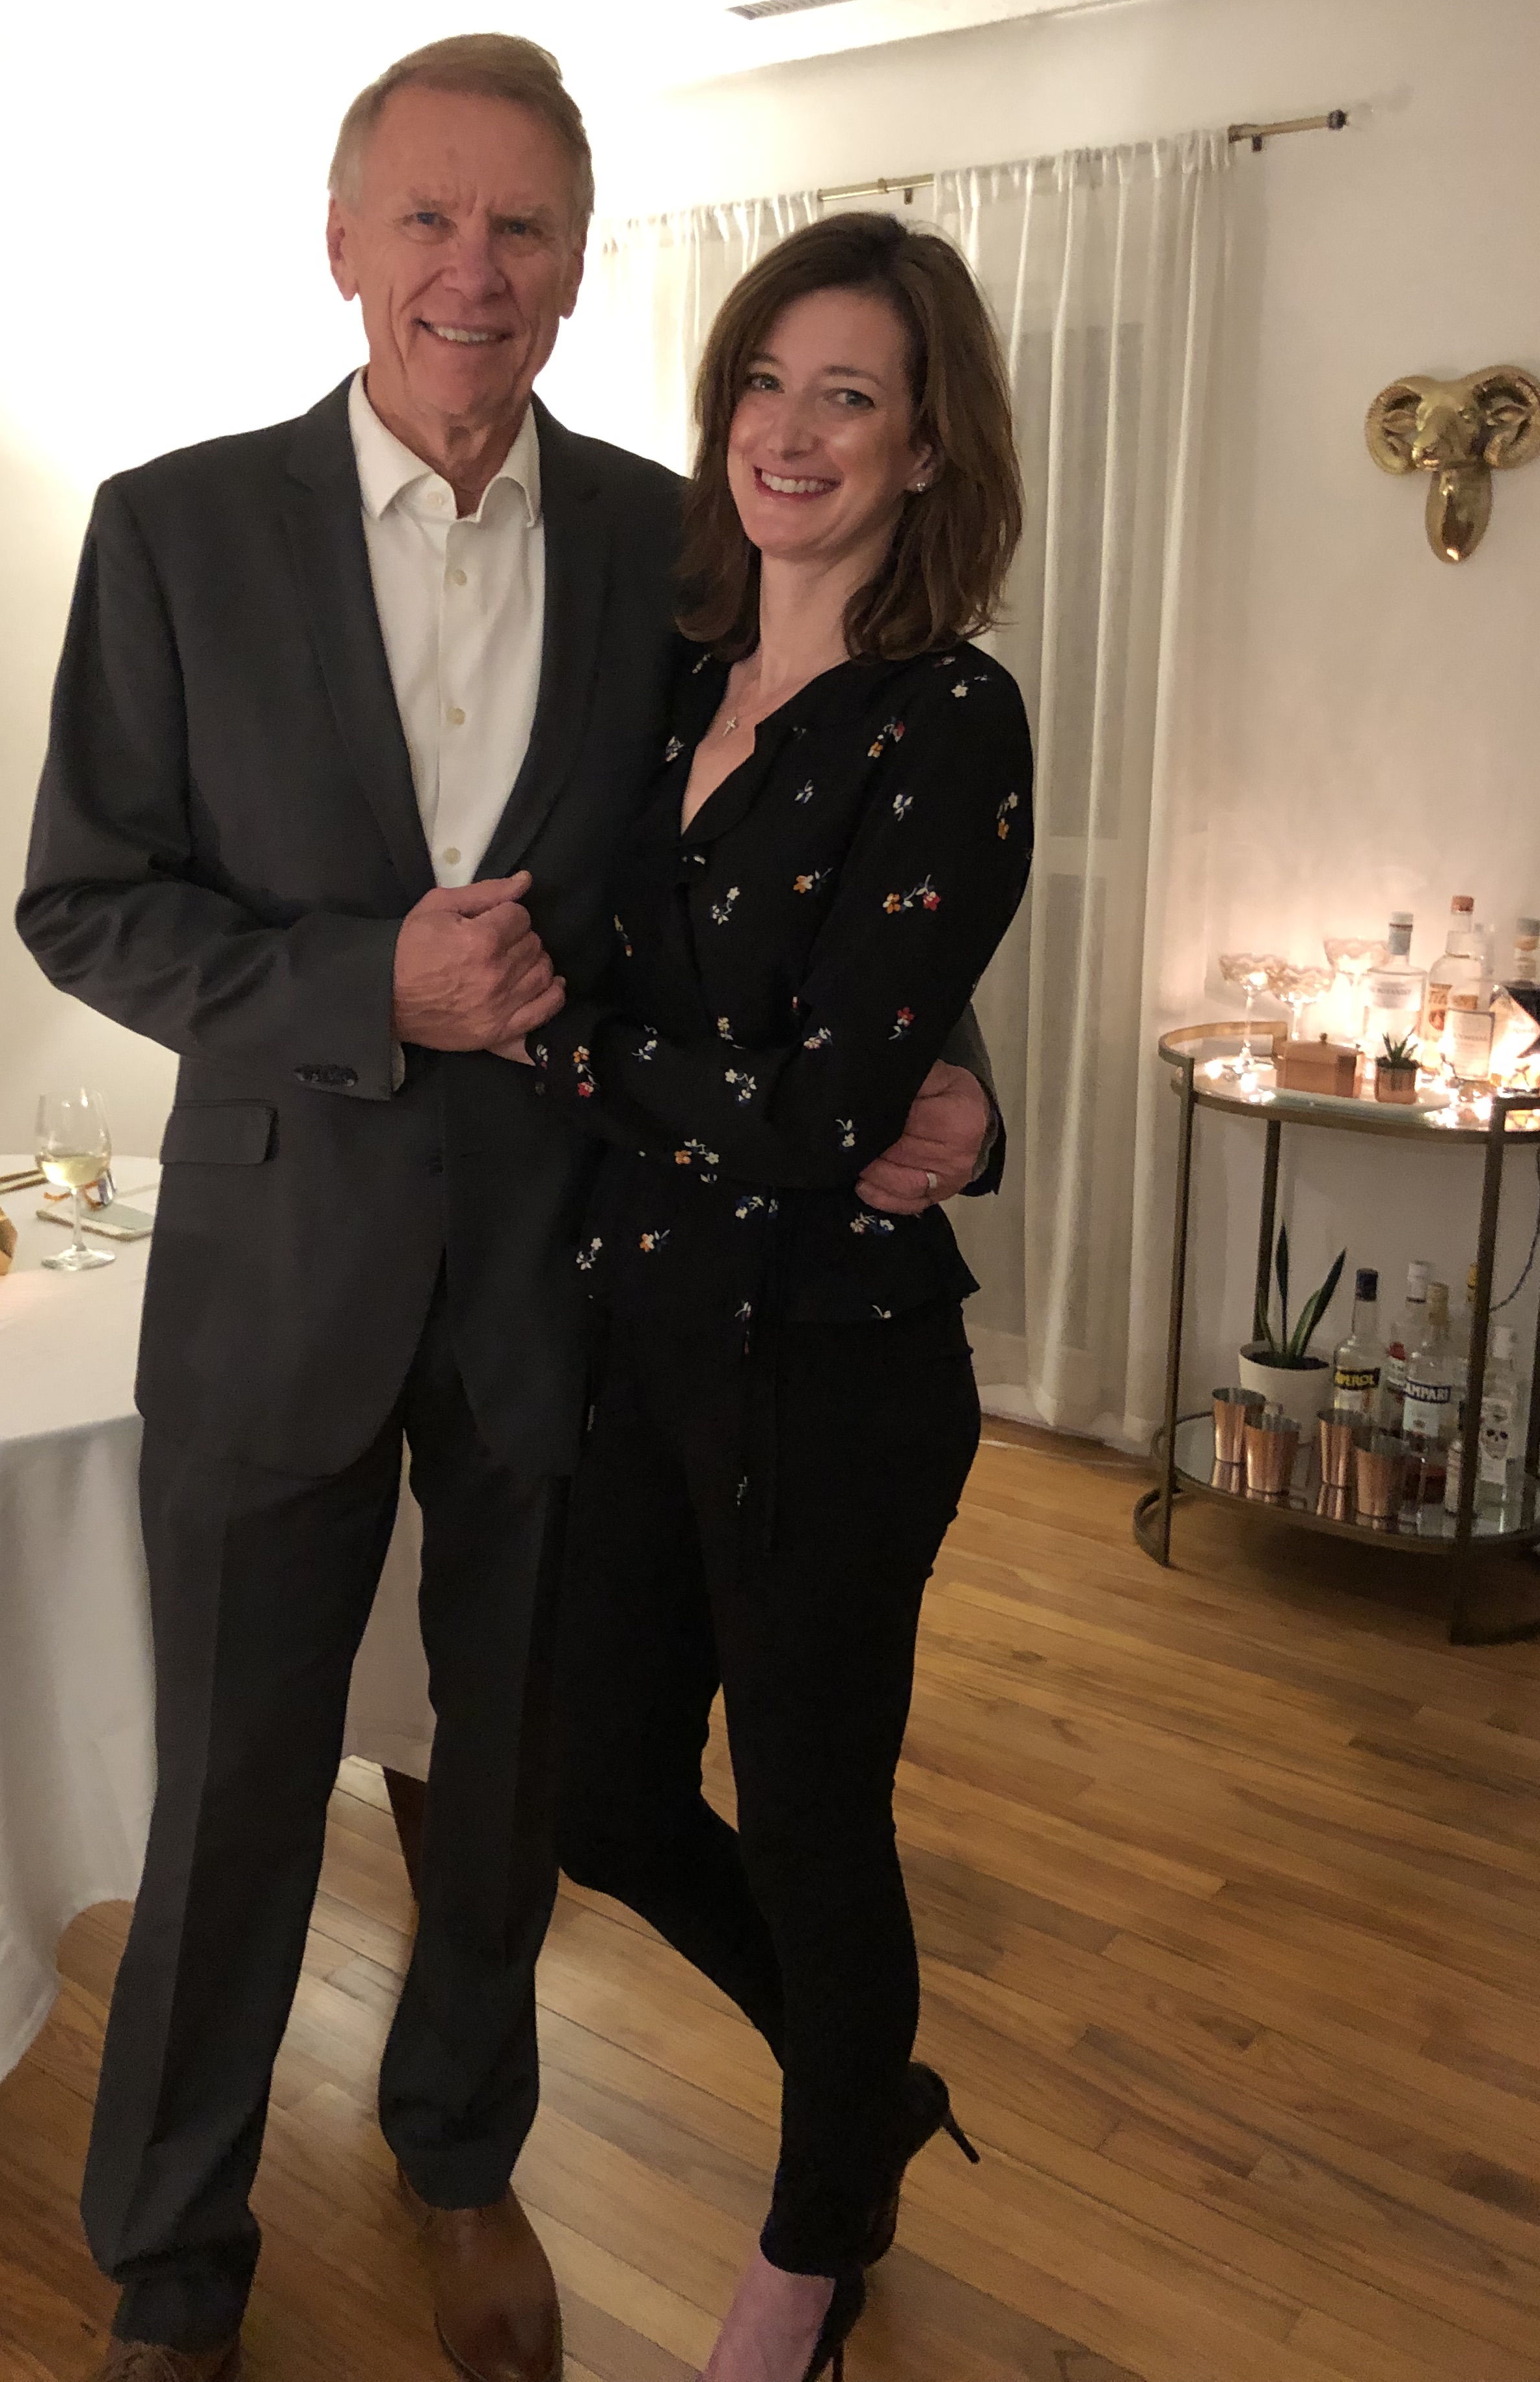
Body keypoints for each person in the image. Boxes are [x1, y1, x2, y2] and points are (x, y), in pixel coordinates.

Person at [16, 38, 1001, 2382]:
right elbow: (87, 906)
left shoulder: (675, 544)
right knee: (234, 1788)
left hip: (578, 1276)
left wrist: (951, 1067)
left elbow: (803, 835)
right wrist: (369, 981)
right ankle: (172, 2253)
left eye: (524, 226)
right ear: (342, 244)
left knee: (506, 1784)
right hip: (275, 1270)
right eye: (429, 219)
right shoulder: (174, 530)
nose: (475, 270)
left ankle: (461, 2155)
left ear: (576, 265)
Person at [511, 213, 1033, 2382]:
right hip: (641, 1336)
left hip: (834, 1373)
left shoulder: (950, 715)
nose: (791, 431)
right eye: (763, 381)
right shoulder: (669, 684)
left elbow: (822, 1117)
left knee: (819, 1828)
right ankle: (864, 2089)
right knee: (605, 1801)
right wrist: (685, 1070)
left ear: (927, 449)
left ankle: (811, 2251)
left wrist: (564, 1042)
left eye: (851, 395)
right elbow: (779, 1064)